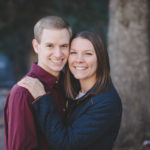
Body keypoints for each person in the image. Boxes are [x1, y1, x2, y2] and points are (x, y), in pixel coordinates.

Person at [18, 31, 122, 150]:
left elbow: (65, 144)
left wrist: (42, 99)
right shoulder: (73, 92)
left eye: (88, 54)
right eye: (73, 53)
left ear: (100, 58)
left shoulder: (106, 103)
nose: (79, 60)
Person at [3, 15, 72, 150]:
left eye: (64, 46)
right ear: (36, 46)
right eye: (50, 46)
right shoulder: (23, 93)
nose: (58, 54)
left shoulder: (67, 85)